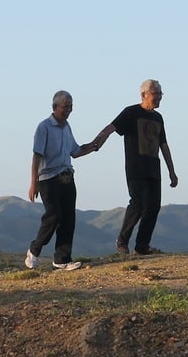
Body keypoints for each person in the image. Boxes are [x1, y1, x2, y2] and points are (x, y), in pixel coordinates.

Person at [93, 79, 178, 255]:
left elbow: (164, 145)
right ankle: (122, 240)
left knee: (153, 207)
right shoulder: (131, 112)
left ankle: (142, 245)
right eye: (156, 94)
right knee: (137, 203)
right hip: (136, 167)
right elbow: (112, 127)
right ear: (144, 95)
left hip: (154, 167)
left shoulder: (158, 117)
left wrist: (172, 171)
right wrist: (98, 141)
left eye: (161, 94)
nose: (159, 98)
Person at [25, 90, 99, 270]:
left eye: (71, 107)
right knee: (53, 215)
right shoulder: (44, 127)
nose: (68, 110)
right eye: (66, 107)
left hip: (67, 176)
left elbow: (75, 151)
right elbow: (36, 156)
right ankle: (34, 250)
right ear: (55, 107)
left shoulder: (67, 127)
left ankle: (62, 260)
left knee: (68, 218)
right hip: (48, 178)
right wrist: (33, 182)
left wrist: (92, 146)